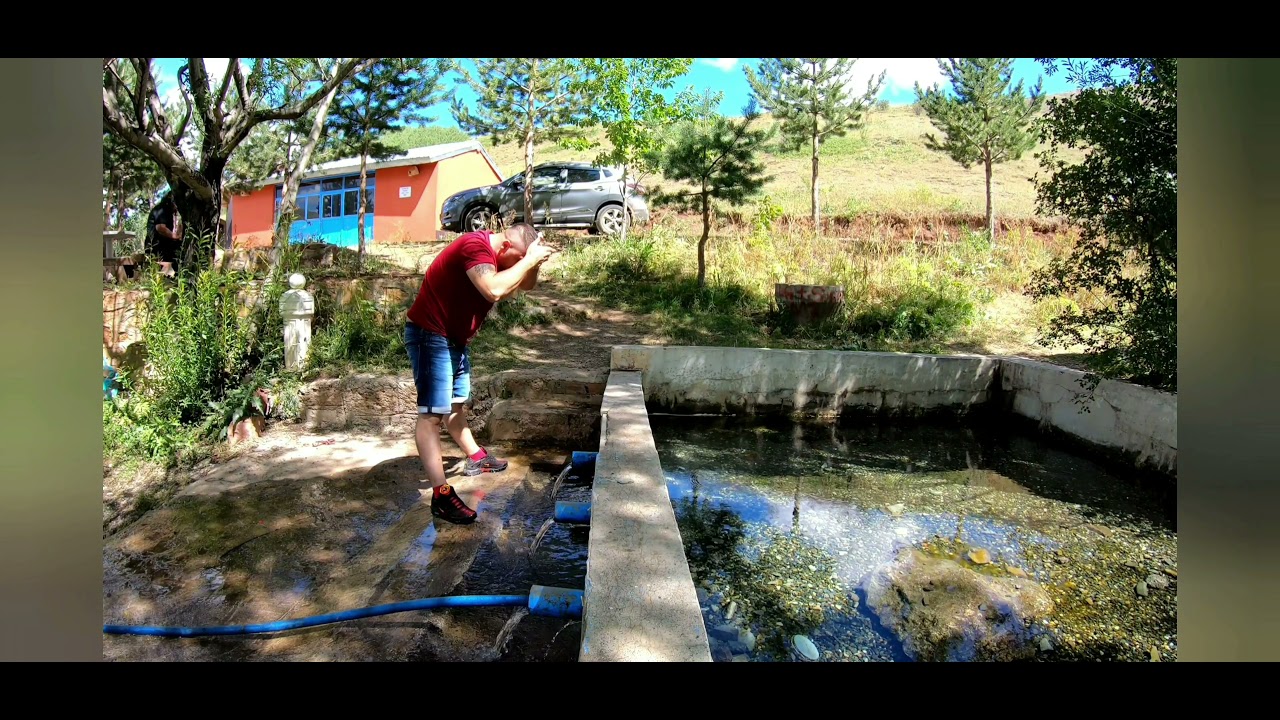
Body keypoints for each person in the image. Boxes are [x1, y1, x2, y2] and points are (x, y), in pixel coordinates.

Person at [404, 222, 555, 524]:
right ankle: (441, 496)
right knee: (431, 416)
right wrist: (528, 260)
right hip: (430, 335)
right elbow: (495, 289)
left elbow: (524, 284)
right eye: (517, 260)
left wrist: (534, 262)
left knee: (455, 404)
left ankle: (476, 457)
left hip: (453, 338)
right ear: (504, 249)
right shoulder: (476, 246)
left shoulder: (502, 254)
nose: (519, 267)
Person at [144, 191, 182, 276]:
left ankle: (171, 275)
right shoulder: (163, 209)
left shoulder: (165, 210)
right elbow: (160, 228)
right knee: (179, 248)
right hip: (155, 245)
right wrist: (175, 236)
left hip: (160, 245)